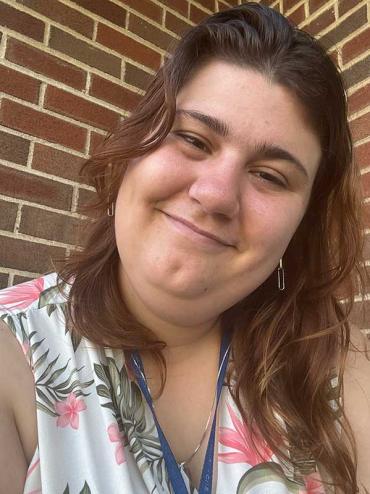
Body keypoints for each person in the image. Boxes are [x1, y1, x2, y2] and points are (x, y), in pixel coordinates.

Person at [0, 2, 369, 493]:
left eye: (269, 176)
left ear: (300, 227)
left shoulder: (333, 373)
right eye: (194, 140)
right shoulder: (15, 354)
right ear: (133, 150)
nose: (216, 194)